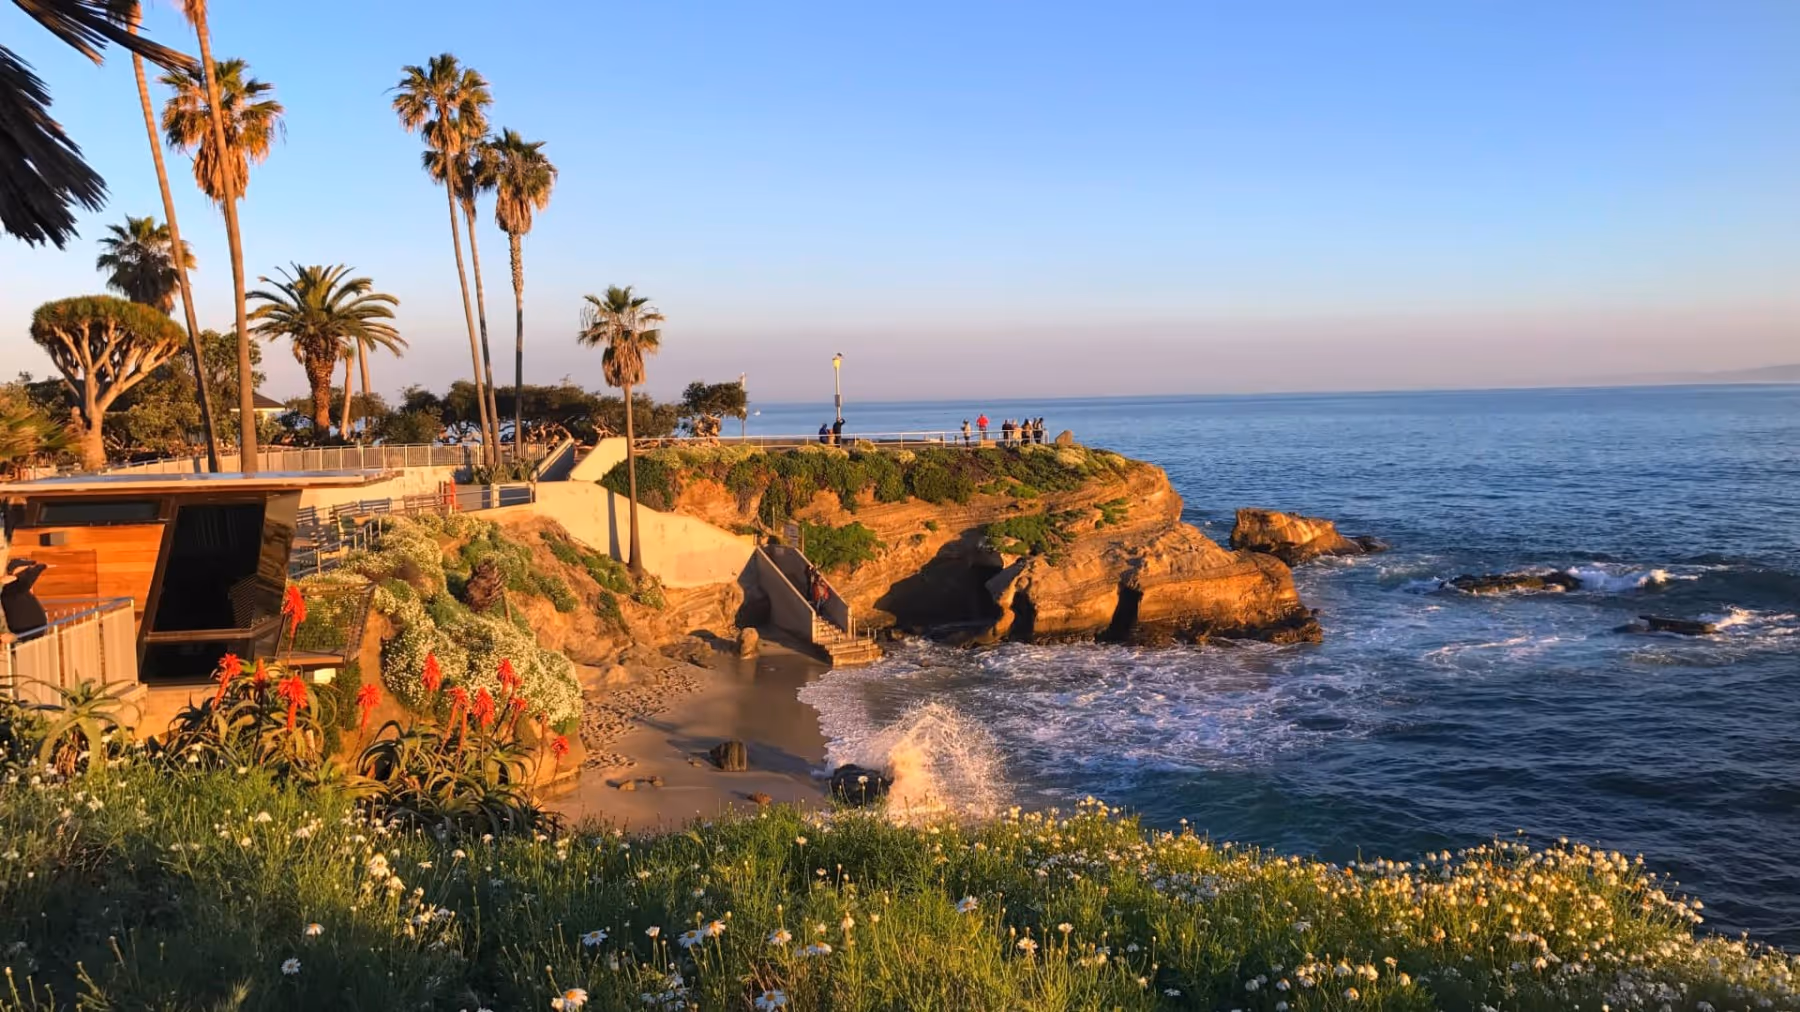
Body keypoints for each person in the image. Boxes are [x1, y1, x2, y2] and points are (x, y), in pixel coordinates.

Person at [2, 557, 50, 642]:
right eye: (26, 568)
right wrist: (42, 566)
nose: (28, 570)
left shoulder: (19, 589)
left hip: (31, 637)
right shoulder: (12, 589)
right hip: (23, 639)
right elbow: (27, 578)